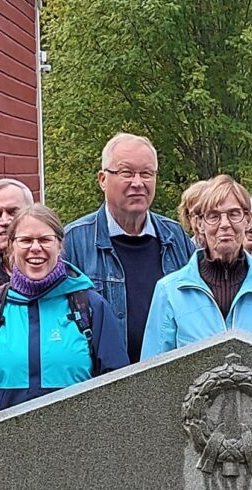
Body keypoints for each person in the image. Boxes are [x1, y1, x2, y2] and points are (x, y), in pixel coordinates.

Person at [0, 203, 128, 420]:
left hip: (80, 446)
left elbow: (117, 386)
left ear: (59, 245)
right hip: (5, 446)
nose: (35, 248)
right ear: (11, 246)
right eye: (26, 240)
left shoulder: (90, 307)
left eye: (45, 240)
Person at [140, 175, 252, 357]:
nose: (225, 224)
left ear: (247, 220)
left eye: (234, 214)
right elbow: (153, 375)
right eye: (214, 216)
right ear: (200, 224)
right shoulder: (170, 291)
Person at [61, 133, 194, 349]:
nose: (138, 183)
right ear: (103, 180)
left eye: (146, 173)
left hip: (170, 374)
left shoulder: (175, 237)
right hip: (103, 378)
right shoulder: (74, 241)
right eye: (127, 173)